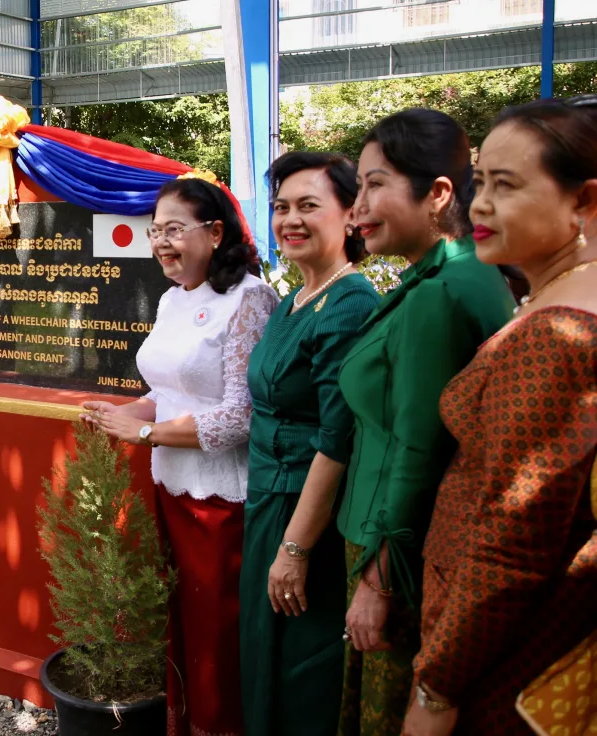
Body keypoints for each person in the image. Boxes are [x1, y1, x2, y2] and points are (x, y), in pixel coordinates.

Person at [400, 99, 597, 736]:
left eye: (505, 186)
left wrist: (437, 688)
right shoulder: (553, 298)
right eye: (480, 182)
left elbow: (513, 542)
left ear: (584, 202)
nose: (478, 205)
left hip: (502, 658)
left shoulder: (558, 334)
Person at [335, 109, 516, 736]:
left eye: (374, 184)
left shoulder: (443, 291)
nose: (357, 206)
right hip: (404, 542)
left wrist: (379, 582)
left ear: (438, 193)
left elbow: (420, 447)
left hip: (401, 553)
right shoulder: (451, 277)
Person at [82, 177, 277, 736]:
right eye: (156, 231)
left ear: (215, 233)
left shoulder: (249, 299)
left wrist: (145, 435)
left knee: (220, 636)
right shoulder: (171, 299)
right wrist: (123, 413)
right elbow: (166, 394)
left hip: (222, 504)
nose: (162, 243)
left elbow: (242, 417)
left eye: (174, 230)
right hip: (170, 488)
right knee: (186, 630)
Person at [240, 152, 380, 735]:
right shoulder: (298, 297)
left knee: (300, 672)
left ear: (350, 215)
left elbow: (338, 438)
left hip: (307, 515)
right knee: (262, 660)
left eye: (308, 206)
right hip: (267, 501)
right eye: (280, 207)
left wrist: (294, 550)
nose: (289, 219)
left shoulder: (349, 305)